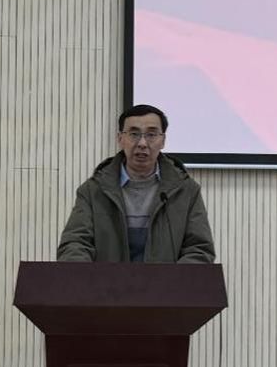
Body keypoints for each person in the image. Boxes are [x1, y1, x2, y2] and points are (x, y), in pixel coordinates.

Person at [57, 104, 215, 263]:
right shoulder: (93, 190)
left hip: (168, 280)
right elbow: (75, 244)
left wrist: (172, 278)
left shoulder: (186, 191)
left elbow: (199, 249)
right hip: (106, 280)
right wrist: (87, 275)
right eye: (134, 134)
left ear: (163, 141)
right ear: (120, 139)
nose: (142, 143)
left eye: (151, 134)